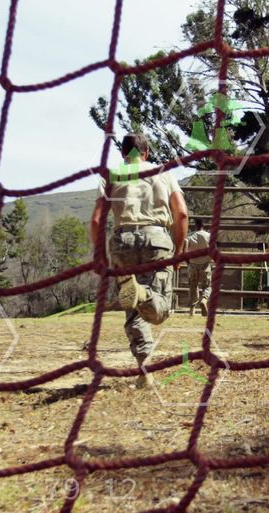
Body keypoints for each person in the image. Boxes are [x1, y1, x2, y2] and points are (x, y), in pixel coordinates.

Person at [90, 134, 188, 387]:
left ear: (123, 153)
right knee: (160, 309)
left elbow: (97, 220)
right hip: (156, 239)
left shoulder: (111, 175)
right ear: (146, 153)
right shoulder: (162, 172)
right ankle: (144, 293)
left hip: (121, 242)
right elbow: (181, 213)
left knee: (133, 310)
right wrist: (179, 251)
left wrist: (100, 256)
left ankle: (145, 372)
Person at [184, 218, 212, 316]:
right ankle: (204, 300)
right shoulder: (209, 236)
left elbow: (184, 251)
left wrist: (188, 262)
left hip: (193, 264)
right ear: (203, 225)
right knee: (207, 286)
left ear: (195, 225)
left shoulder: (189, 236)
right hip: (205, 264)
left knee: (193, 286)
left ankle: (192, 311)